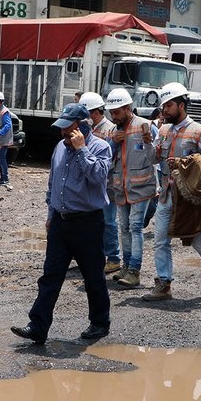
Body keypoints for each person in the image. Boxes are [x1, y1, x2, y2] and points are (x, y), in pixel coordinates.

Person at [12, 103, 112, 344]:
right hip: (60, 222)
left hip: (87, 224)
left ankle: (99, 323)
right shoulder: (59, 146)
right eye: (62, 129)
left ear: (82, 126)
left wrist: (81, 150)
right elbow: (53, 183)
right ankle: (38, 326)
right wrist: (50, 215)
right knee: (51, 276)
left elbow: (98, 176)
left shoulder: (101, 147)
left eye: (68, 129)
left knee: (93, 276)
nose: (63, 133)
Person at [142, 82, 201, 302]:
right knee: (160, 241)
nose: (164, 110)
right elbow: (153, 159)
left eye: (169, 105)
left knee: (197, 239)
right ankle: (164, 283)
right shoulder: (162, 130)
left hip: (188, 198)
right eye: (163, 106)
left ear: (181, 105)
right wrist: (148, 145)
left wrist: (184, 164)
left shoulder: (200, 132)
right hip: (165, 195)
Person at [104, 88, 157, 287]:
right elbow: (106, 160)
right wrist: (113, 142)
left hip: (141, 187)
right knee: (123, 228)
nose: (113, 116)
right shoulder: (113, 131)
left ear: (127, 108)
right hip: (120, 188)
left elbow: (156, 157)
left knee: (135, 228)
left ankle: (135, 270)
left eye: (116, 112)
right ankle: (126, 267)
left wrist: (149, 143)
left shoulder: (145, 126)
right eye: (111, 112)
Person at [81, 91, 121, 275]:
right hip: (90, 183)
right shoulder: (88, 129)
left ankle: (113, 258)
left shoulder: (111, 130)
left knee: (109, 221)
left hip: (108, 184)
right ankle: (95, 255)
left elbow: (113, 159)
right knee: (90, 221)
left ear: (94, 112)